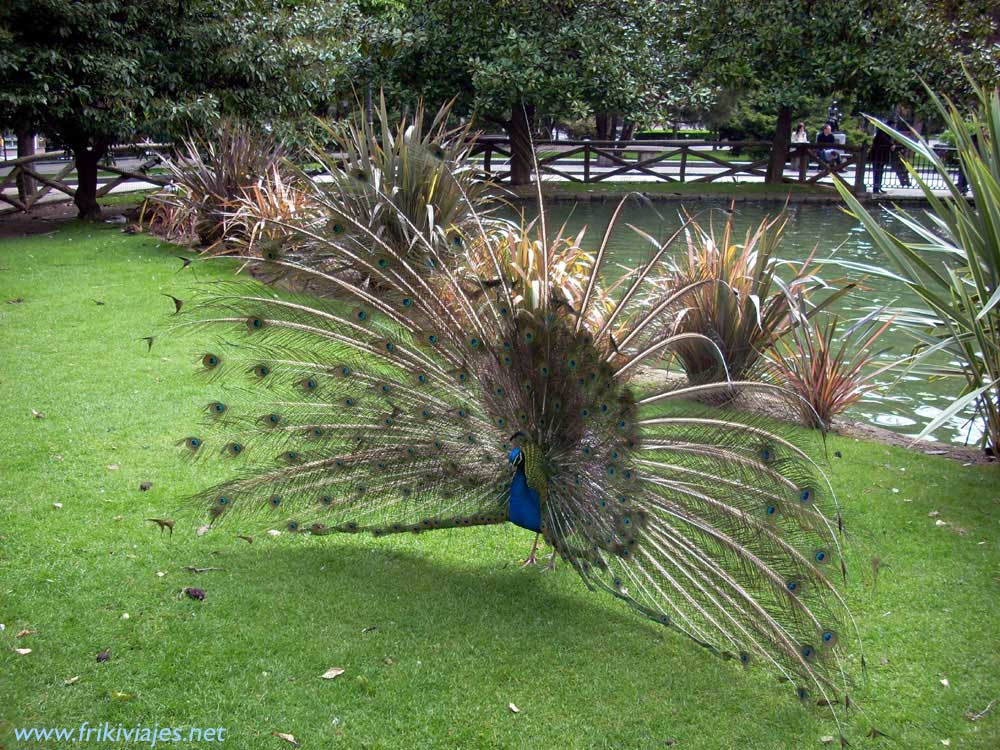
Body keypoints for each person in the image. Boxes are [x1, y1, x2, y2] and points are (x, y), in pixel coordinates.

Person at [870, 119, 894, 194]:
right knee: (877, 171)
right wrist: (891, 144)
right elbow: (883, 138)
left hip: (881, 154)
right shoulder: (883, 130)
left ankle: (878, 187)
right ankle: (876, 188)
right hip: (878, 155)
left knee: (880, 172)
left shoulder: (886, 130)